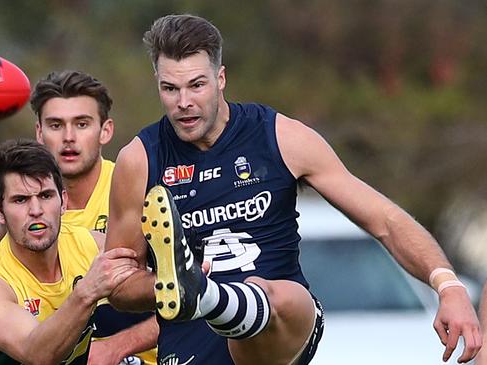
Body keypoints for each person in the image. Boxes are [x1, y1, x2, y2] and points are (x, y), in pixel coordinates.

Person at [104, 14, 482, 365]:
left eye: (196, 85)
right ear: (157, 84)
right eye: (170, 88)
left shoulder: (281, 138)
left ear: (220, 78)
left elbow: (384, 219)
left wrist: (447, 285)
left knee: (272, 294)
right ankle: (193, 290)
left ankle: (205, 293)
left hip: (282, 328)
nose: (184, 102)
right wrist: (162, 286)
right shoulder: (140, 159)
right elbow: (120, 286)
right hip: (190, 343)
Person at [0, 70, 159, 365]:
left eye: (81, 124)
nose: (69, 138)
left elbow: (182, 287)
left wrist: (120, 345)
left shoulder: (134, 191)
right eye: (56, 125)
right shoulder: (12, 230)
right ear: (39, 132)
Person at [0, 138, 138, 364]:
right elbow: (37, 355)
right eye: (20, 200)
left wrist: (188, 275)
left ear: (63, 201)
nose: (36, 210)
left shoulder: (91, 246)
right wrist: (86, 292)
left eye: (45, 196)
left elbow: (164, 292)